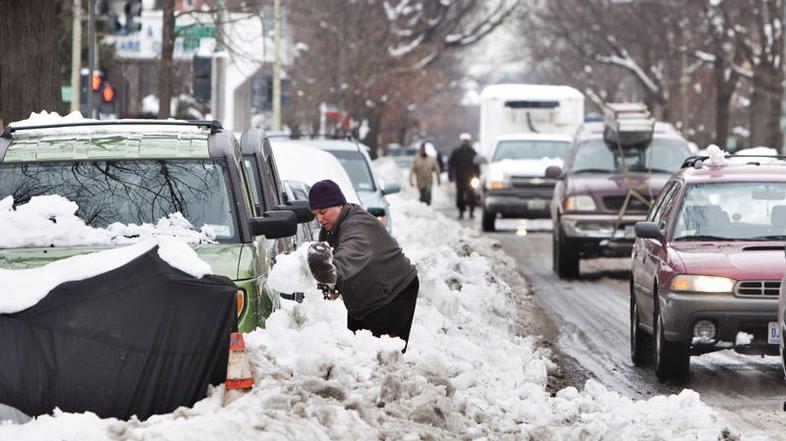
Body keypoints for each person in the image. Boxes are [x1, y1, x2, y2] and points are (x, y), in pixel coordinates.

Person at [306, 179, 419, 352]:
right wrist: (331, 284)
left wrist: (330, 270)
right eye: (315, 215)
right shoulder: (330, 230)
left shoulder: (356, 225)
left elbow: (350, 252)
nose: (319, 219)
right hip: (365, 298)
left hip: (394, 293)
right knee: (357, 352)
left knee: (382, 358)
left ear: (339, 205)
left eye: (323, 211)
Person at [448, 133, 480, 219]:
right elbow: (451, 164)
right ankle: (461, 211)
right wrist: (451, 175)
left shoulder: (472, 152)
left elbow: (476, 165)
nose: (465, 142)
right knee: (460, 195)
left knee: (471, 196)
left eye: (467, 141)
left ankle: (471, 212)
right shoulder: (457, 152)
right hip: (460, 177)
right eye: (464, 141)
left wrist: (477, 176)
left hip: (470, 178)